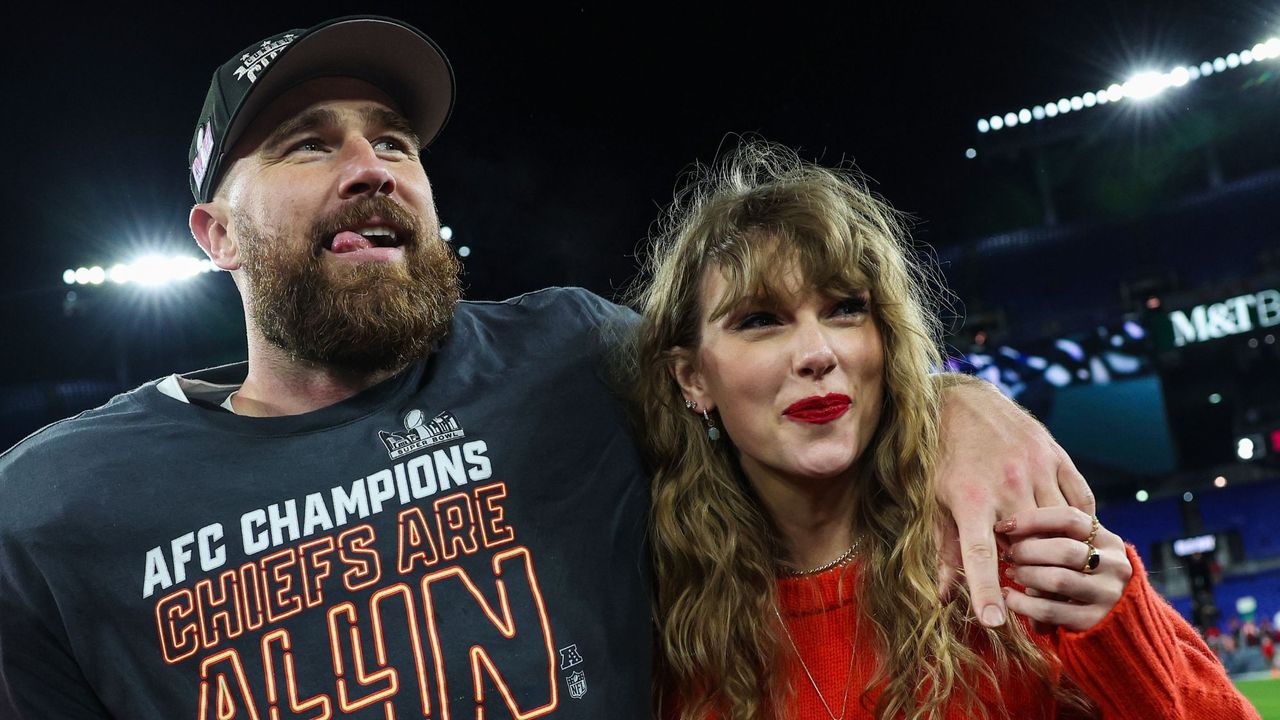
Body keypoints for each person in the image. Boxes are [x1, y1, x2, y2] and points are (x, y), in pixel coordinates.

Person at [0, 16, 1094, 720]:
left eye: (393, 140)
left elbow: (774, 373)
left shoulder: (572, 356)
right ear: (213, 234)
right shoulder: (53, 511)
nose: (369, 165)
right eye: (306, 143)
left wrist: (954, 400)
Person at [628, 140, 1259, 719]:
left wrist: (1119, 634)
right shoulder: (656, 621)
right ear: (692, 379)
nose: (817, 353)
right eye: (761, 320)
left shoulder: (1008, 551)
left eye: (846, 309)